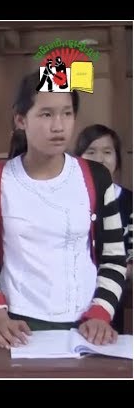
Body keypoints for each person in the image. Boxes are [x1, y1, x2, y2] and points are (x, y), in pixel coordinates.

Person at [0, 72, 127, 349]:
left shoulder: (95, 177)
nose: (58, 126)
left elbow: (114, 257)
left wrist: (101, 313)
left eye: (67, 113)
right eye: (46, 114)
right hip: (17, 327)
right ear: (21, 120)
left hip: (87, 327)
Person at [74, 124, 132, 333]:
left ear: (117, 159)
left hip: (111, 297)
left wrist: (116, 270)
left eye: (107, 152)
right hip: (69, 297)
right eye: (91, 152)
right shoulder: (69, 200)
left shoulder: (129, 201)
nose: (100, 159)